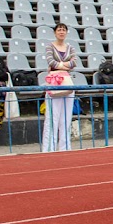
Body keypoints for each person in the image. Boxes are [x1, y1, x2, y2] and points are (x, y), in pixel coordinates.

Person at [42, 23, 77, 152]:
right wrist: (65, 65)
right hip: (54, 82)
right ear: (55, 32)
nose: (61, 32)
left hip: (67, 81)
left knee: (66, 117)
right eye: (59, 30)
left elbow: (74, 63)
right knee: (52, 117)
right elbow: (51, 62)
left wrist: (59, 65)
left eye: (63, 30)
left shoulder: (70, 47)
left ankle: (65, 148)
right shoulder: (49, 46)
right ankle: (49, 148)